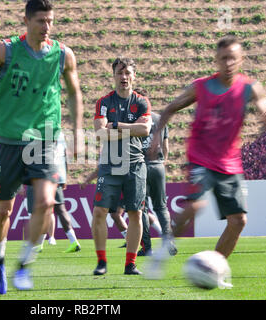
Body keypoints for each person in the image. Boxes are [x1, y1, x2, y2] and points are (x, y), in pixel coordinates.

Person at [0, 0, 83, 294]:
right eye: (40, 20)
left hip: (45, 138)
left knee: (47, 202)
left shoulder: (63, 55)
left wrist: (76, 130)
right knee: (3, 210)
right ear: (25, 21)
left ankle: (24, 265)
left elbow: (75, 92)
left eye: (50, 20)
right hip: (10, 140)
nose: (46, 26)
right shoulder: (6, 50)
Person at [145, 36, 266, 280]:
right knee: (197, 205)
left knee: (238, 221)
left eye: (233, 58)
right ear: (216, 61)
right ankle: (163, 251)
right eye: (223, 58)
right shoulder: (202, 86)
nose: (228, 63)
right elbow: (170, 108)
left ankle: (213, 273)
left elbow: (265, 106)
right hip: (201, 156)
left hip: (229, 162)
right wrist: (157, 136)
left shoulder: (249, 87)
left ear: (241, 60)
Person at [92, 56, 151, 276]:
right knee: (99, 212)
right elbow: (100, 132)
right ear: (114, 76)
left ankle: (130, 264)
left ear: (134, 76)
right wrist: (131, 127)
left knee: (135, 213)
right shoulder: (104, 102)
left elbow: (144, 131)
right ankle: (101, 262)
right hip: (110, 165)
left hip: (135, 164)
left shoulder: (142, 102)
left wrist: (115, 125)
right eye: (120, 73)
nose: (124, 77)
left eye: (127, 73)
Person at [136, 87, 176, 257]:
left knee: (142, 209)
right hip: (158, 165)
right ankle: (169, 242)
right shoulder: (159, 119)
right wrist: (162, 162)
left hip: (140, 167)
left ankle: (147, 247)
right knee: (161, 207)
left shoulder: (134, 120)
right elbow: (166, 146)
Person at [26, 133, 81, 253]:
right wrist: (64, 177)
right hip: (57, 174)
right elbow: (65, 156)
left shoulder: (36, 132)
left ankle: (38, 244)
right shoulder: (60, 134)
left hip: (41, 174)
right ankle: (73, 241)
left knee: (38, 211)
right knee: (59, 209)